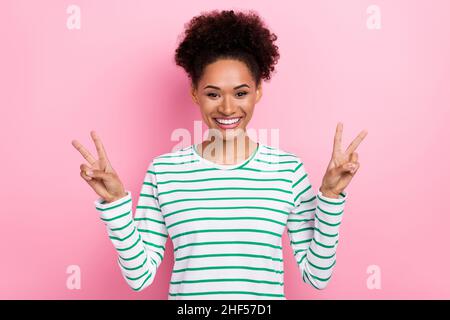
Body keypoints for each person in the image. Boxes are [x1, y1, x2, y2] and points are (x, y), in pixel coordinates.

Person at [72, 9, 367, 300]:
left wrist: (329, 198)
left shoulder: (287, 172)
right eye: (213, 94)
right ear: (194, 93)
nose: (227, 108)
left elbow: (317, 276)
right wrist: (115, 205)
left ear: (258, 92)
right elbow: (140, 278)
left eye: (241, 93)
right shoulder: (164, 172)